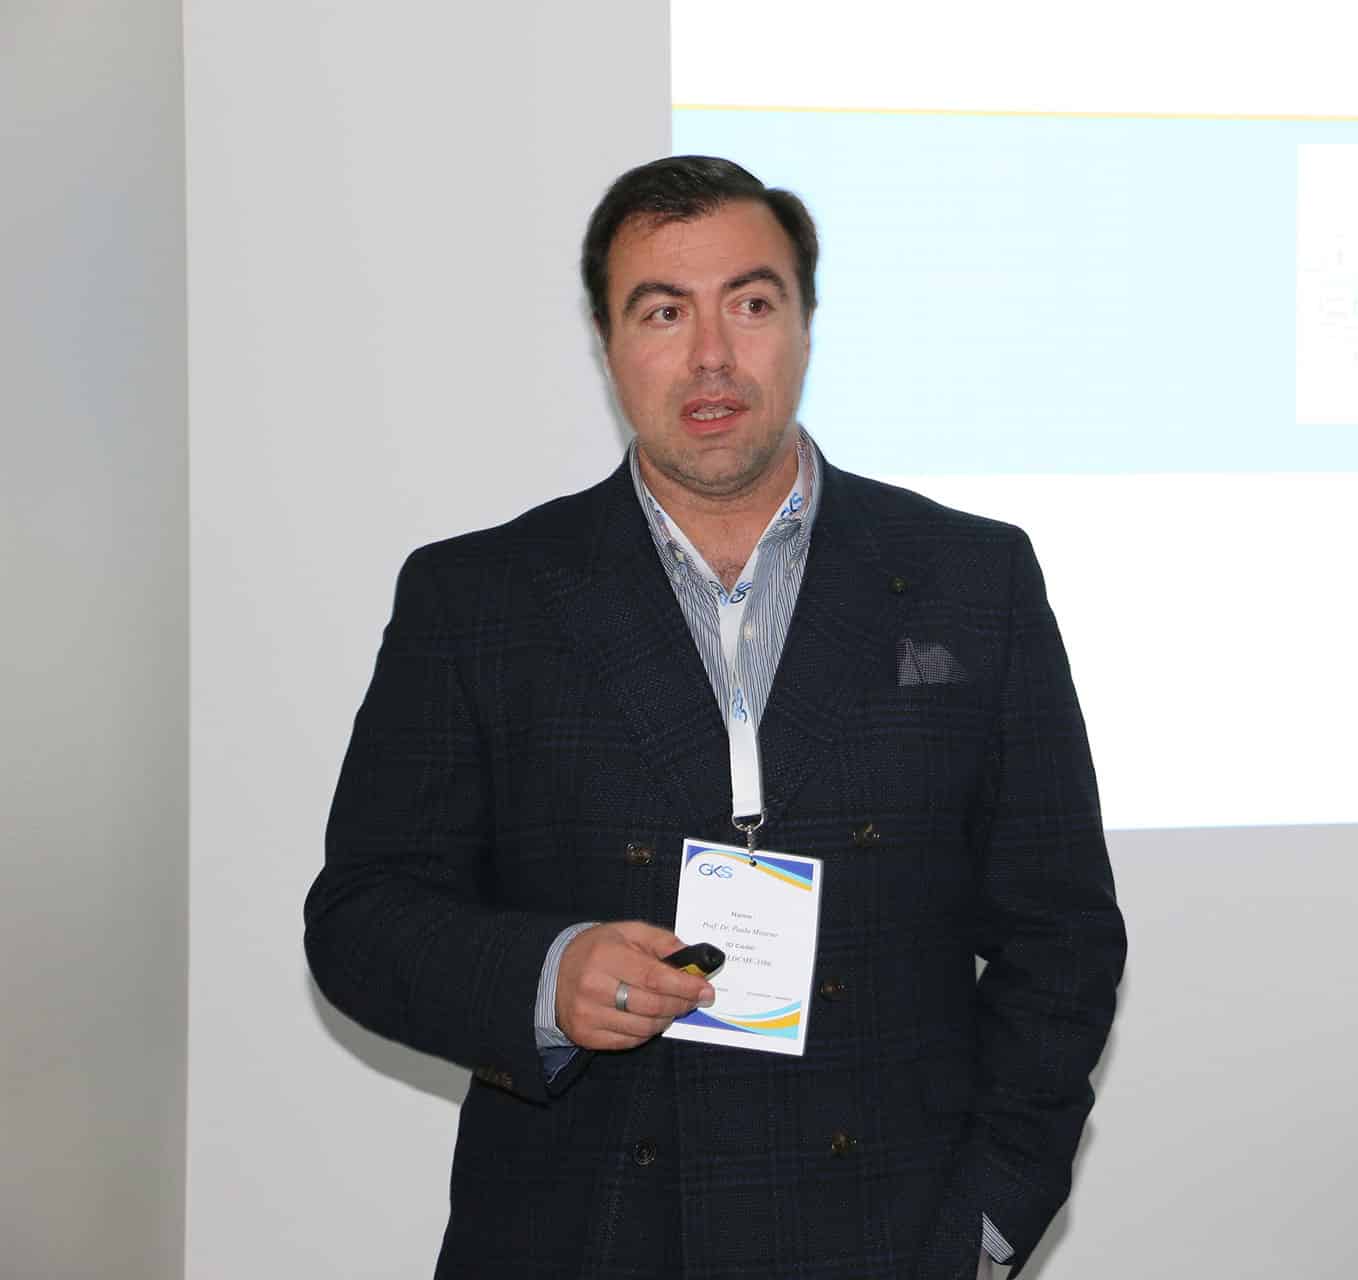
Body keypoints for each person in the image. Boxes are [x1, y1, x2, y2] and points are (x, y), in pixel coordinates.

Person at [305, 155, 1126, 1279]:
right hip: (582, 1234)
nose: (710, 356)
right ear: (607, 344)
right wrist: (545, 973)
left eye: (750, 304)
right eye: (662, 311)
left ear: (805, 326)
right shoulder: (479, 596)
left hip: (888, 1233)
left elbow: (1063, 933)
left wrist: (986, 1222)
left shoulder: (971, 579)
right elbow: (360, 915)